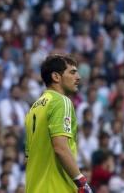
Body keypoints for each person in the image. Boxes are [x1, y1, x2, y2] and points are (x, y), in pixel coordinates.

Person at [24, 54, 91, 192]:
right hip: (56, 188)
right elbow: (60, 147)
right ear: (56, 77)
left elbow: (28, 157)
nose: (78, 77)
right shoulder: (61, 101)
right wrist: (81, 181)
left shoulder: (34, 109)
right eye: (72, 72)